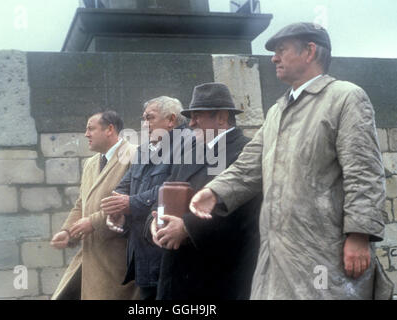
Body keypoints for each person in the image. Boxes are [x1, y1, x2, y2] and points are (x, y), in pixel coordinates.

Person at [189, 23, 394, 299]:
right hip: (277, 257)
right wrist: (214, 191)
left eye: (281, 50)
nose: (274, 57)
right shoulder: (277, 111)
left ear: (309, 51)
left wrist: (359, 236)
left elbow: (364, 172)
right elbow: (249, 165)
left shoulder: (345, 98)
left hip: (323, 255)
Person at [147, 83, 262, 299]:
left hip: (218, 275)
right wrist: (154, 221)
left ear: (221, 117)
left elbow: (244, 214)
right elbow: (167, 189)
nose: (190, 123)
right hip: (177, 273)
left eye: (197, 116)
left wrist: (188, 228)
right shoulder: (190, 151)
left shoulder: (245, 152)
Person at [100, 96, 187, 300]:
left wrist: (131, 204)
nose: (144, 124)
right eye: (143, 118)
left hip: (167, 250)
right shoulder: (144, 149)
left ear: (171, 120)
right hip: (142, 254)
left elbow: (174, 187)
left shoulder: (188, 146)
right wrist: (118, 210)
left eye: (150, 118)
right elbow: (124, 185)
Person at [50, 110, 138, 300]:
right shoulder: (90, 163)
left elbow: (135, 202)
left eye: (91, 128)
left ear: (110, 130)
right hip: (91, 259)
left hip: (118, 260)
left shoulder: (134, 154)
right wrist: (67, 232)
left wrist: (94, 222)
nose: (86, 134)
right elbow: (82, 203)